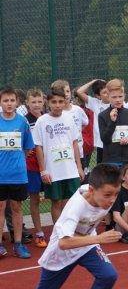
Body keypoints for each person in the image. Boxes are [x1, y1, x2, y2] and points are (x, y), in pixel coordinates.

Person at [3, 164, 122, 289]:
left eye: (115, 194)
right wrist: (99, 239)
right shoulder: (75, 207)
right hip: (62, 252)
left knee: (109, 275)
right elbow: (64, 243)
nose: (111, 200)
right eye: (107, 195)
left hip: (86, 245)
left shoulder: (100, 192)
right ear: (92, 190)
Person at [33, 88, 85, 223]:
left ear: (65, 102)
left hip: (70, 169)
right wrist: (43, 170)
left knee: (70, 203)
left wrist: (79, 167)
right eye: (54, 102)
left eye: (60, 102)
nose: (57, 105)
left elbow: (74, 143)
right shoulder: (42, 121)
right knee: (56, 203)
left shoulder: (69, 118)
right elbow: (38, 147)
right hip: (53, 171)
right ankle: (59, 233)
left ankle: (70, 231)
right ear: (48, 103)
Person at [0, 86, 35, 259]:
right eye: (5, 100)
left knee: (16, 207)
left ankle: (18, 244)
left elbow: (28, 148)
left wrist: (16, 161)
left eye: (12, 100)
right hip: (0, 174)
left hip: (18, 174)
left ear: (17, 102)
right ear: (0, 102)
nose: (9, 104)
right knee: (0, 208)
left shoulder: (22, 122)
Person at [98, 78, 128, 168]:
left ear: (124, 96)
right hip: (111, 160)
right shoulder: (102, 115)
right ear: (108, 97)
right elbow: (105, 139)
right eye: (114, 97)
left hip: (127, 160)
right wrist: (112, 122)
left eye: (120, 96)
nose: (118, 100)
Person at [51, 79, 89, 174]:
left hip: (78, 153)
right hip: (61, 156)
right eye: (62, 92)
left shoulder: (78, 110)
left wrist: (76, 133)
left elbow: (84, 124)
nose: (66, 94)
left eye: (68, 91)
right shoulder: (55, 114)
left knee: (80, 181)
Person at [25, 88, 47, 247]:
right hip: (32, 167)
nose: (37, 104)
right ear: (27, 103)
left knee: (57, 199)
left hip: (51, 166)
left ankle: (61, 230)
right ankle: (39, 233)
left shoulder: (48, 118)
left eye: (39, 101)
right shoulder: (24, 121)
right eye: (33, 102)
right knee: (34, 199)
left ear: (44, 102)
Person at [76, 78, 109, 164]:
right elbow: (79, 92)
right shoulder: (95, 103)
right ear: (98, 96)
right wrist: (93, 81)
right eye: (104, 92)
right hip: (101, 143)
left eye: (108, 90)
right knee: (102, 170)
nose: (108, 94)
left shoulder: (117, 102)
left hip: (115, 143)